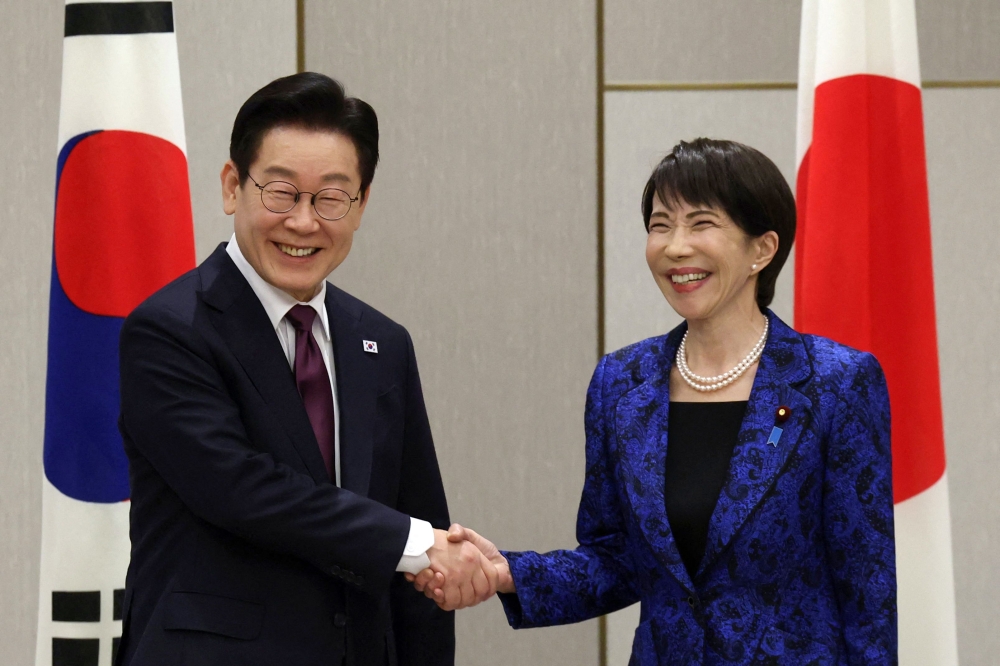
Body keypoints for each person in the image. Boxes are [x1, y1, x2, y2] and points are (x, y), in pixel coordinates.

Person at [411, 139, 897, 664]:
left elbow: (867, 589)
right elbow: (615, 560)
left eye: (701, 223)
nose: (675, 247)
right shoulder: (622, 383)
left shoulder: (835, 383)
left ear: (763, 248)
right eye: (660, 225)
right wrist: (508, 573)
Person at [115, 72, 498, 666]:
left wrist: (427, 553)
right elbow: (242, 490)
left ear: (362, 203)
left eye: (330, 198)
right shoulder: (168, 331)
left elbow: (418, 519)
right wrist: (418, 545)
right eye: (281, 193)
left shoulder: (383, 342)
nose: (303, 222)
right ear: (230, 186)